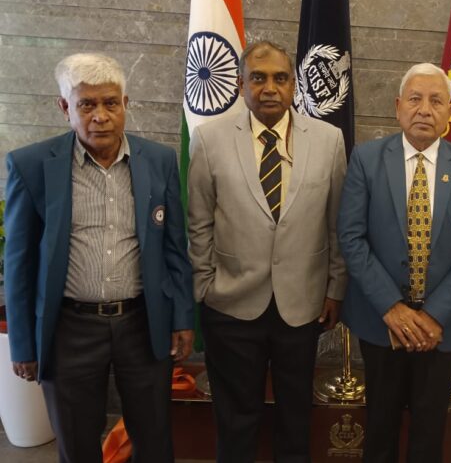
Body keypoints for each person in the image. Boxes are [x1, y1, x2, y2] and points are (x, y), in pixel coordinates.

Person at [3, 52, 194, 463]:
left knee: (155, 439)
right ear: (65, 107)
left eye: (110, 102)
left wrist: (182, 317)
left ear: (126, 103)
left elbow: (175, 248)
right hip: (69, 329)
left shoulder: (159, 160)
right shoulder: (31, 165)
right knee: (76, 443)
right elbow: (19, 264)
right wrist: (22, 343)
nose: (100, 116)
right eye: (86, 104)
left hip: (143, 323)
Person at [187, 40, 347, 463]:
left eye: (280, 78)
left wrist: (335, 288)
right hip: (230, 304)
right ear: (241, 85)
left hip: (303, 304)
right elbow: (198, 222)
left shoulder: (329, 140)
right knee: (236, 418)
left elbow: (337, 222)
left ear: (294, 85)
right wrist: (204, 286)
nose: (269, 88)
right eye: (258, 78)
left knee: (295, 417)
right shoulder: (209, 140)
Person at [337, 62, 451, 463]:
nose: (425, 109)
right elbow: (351, 237)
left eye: (436, 101)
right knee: (380, 428)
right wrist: (392, 308)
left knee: (429, 431)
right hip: (381, 321)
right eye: (415, 99)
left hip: (444, 326)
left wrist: (434, 315)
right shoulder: (366, 159)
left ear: (449, 111)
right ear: (398, 107)